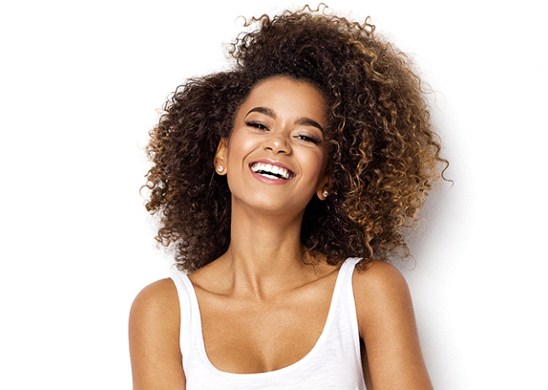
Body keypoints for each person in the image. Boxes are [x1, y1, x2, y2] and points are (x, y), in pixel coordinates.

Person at [129, 5, 446, 389]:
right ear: (222, 154)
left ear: (326, 178)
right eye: (259, 124)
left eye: (305, 135)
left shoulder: (368, 290)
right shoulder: (165, 310)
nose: (277, 143)